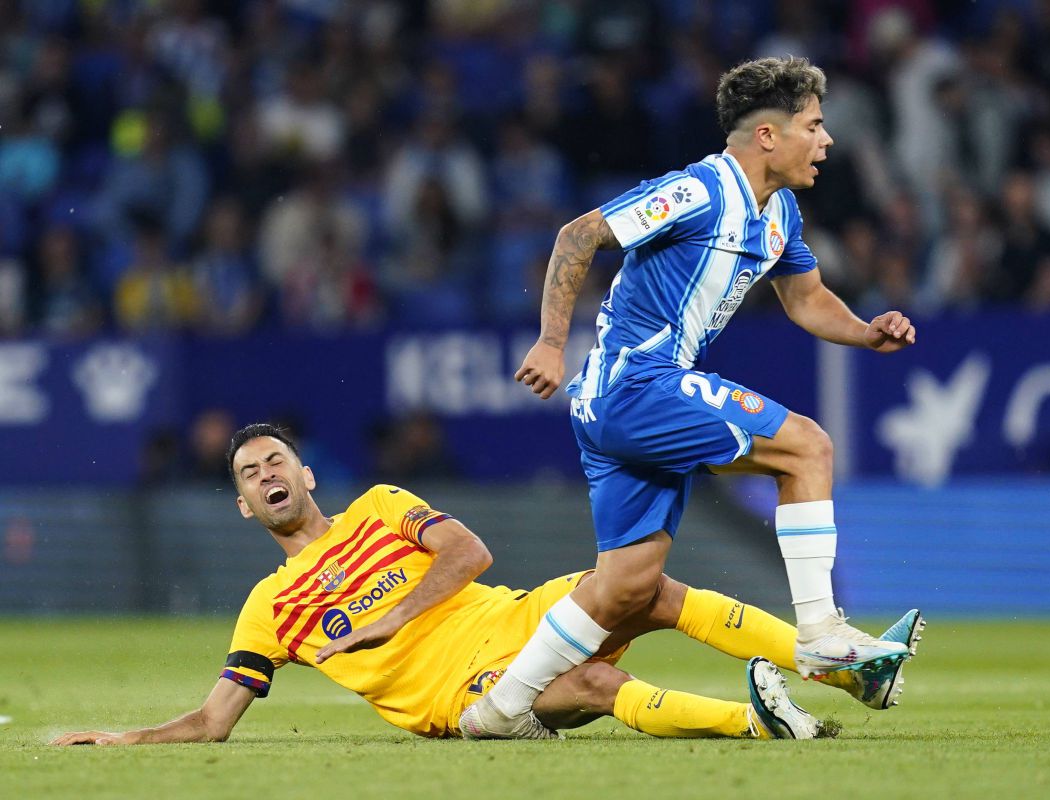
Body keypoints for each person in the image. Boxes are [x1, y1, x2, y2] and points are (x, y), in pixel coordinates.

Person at [462, 57, 920, 739]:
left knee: (626, 585)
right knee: (807, 446)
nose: (827, 142)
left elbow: (806, 298)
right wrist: (551, 341)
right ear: (767, 134)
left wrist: (864, 332)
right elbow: (578, 234)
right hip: (635, 381)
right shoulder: (699, 191)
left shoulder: (780, 212)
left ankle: (497, 710)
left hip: (618, 400)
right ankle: (822, 631)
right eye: (814, 126)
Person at [51, 423, 922, 747]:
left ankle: (840, 666)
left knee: (643, 584)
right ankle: (760, 722)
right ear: (244, 506)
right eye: (249, 473)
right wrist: (125, 740)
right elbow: (213, 722)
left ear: (307, 473)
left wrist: (383, 620)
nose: (266, 474)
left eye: (277, 459)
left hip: (512, 616)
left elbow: (469, 554)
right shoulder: (267, 611)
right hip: (467, 695)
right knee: (590, 681)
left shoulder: (386, 507)